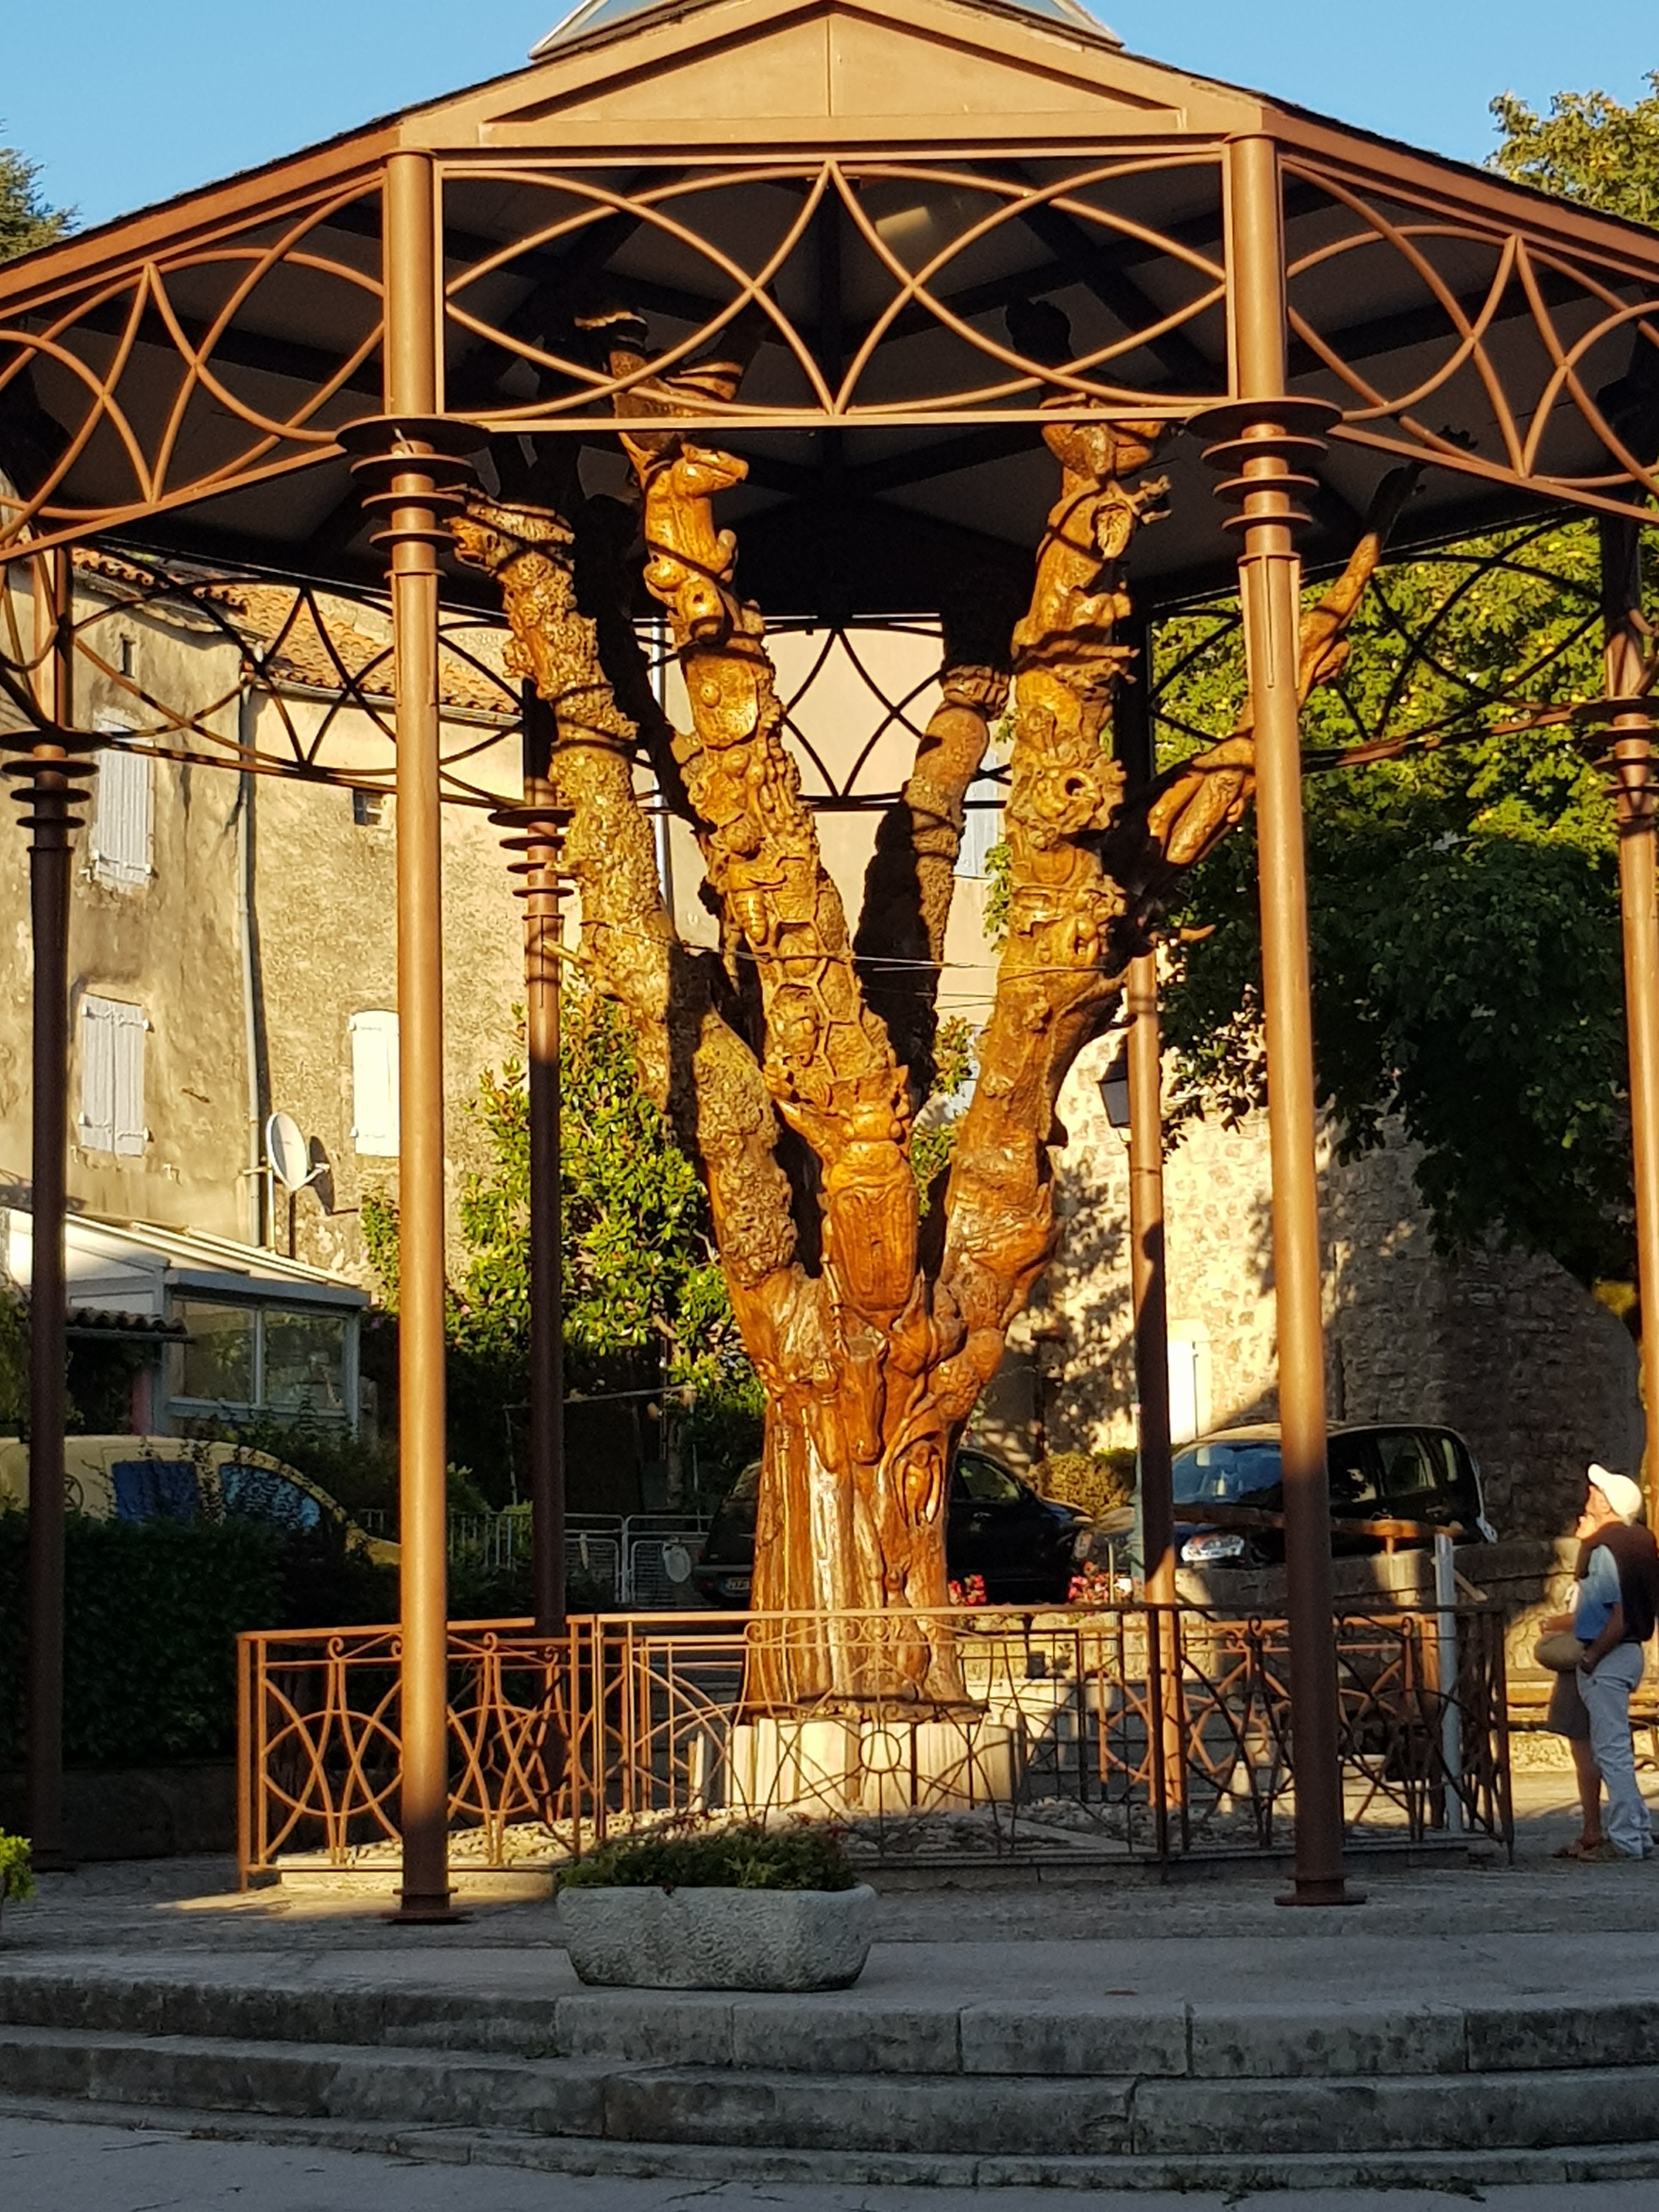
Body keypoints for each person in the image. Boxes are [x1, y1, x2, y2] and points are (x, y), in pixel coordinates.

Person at [1555, 1465, 1659, 1863]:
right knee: (1616, 1750)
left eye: (1597, 1492)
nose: (1591, 1494)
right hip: (1631, 1652)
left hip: (1610, 1655)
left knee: (1612, 1752)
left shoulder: (1604, 1550)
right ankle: (1637, 1832)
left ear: (1607, 1504)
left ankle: (1626, 1839)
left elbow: (1616, 1615)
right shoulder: (1640, 1542)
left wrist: (1591, 1657)